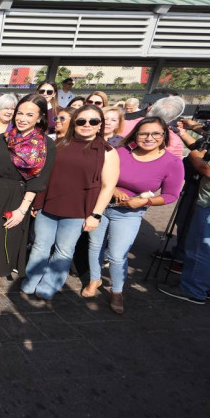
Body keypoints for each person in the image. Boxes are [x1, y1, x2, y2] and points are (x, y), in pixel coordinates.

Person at [21, 105, 120, 301]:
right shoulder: (59, 144)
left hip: (78, 209)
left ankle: (49, 285)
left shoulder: (107, 152)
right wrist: (38, 202)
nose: (87, 125)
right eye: (82, 121)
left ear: (100, 124)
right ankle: (32, 279)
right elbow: (46, 175)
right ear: (74, 122)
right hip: (49, 205)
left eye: (93, 121)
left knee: (64, 250)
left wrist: (96, 214)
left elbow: (108, 186)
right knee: (40, 245)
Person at [85, 117, 183, 313]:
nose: (149, 138)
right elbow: (98, 174)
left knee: (117, 254)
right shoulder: (121, 152)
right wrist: (113, 190)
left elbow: (171, 195)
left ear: (164, 136)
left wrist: (144, 201)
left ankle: (117, 291)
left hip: (130, 213)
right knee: (95, 245)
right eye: (143, 133)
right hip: (102, 205)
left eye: (156, 133)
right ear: (135, 134)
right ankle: (94, 280)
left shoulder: (172, 163)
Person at [0, 94, 56, 315]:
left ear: (39, 118)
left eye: (30, 114)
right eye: (20, 113)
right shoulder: (3, 138)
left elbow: (40, 180)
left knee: (2, 246)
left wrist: (22, 209)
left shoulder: (45, 144)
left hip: (18, 198)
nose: (22, 118)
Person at [158, 140, 210, 304]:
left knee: (203, 250)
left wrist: (194, 155)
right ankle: (209, 288)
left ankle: (193, 289)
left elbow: (208, 170)